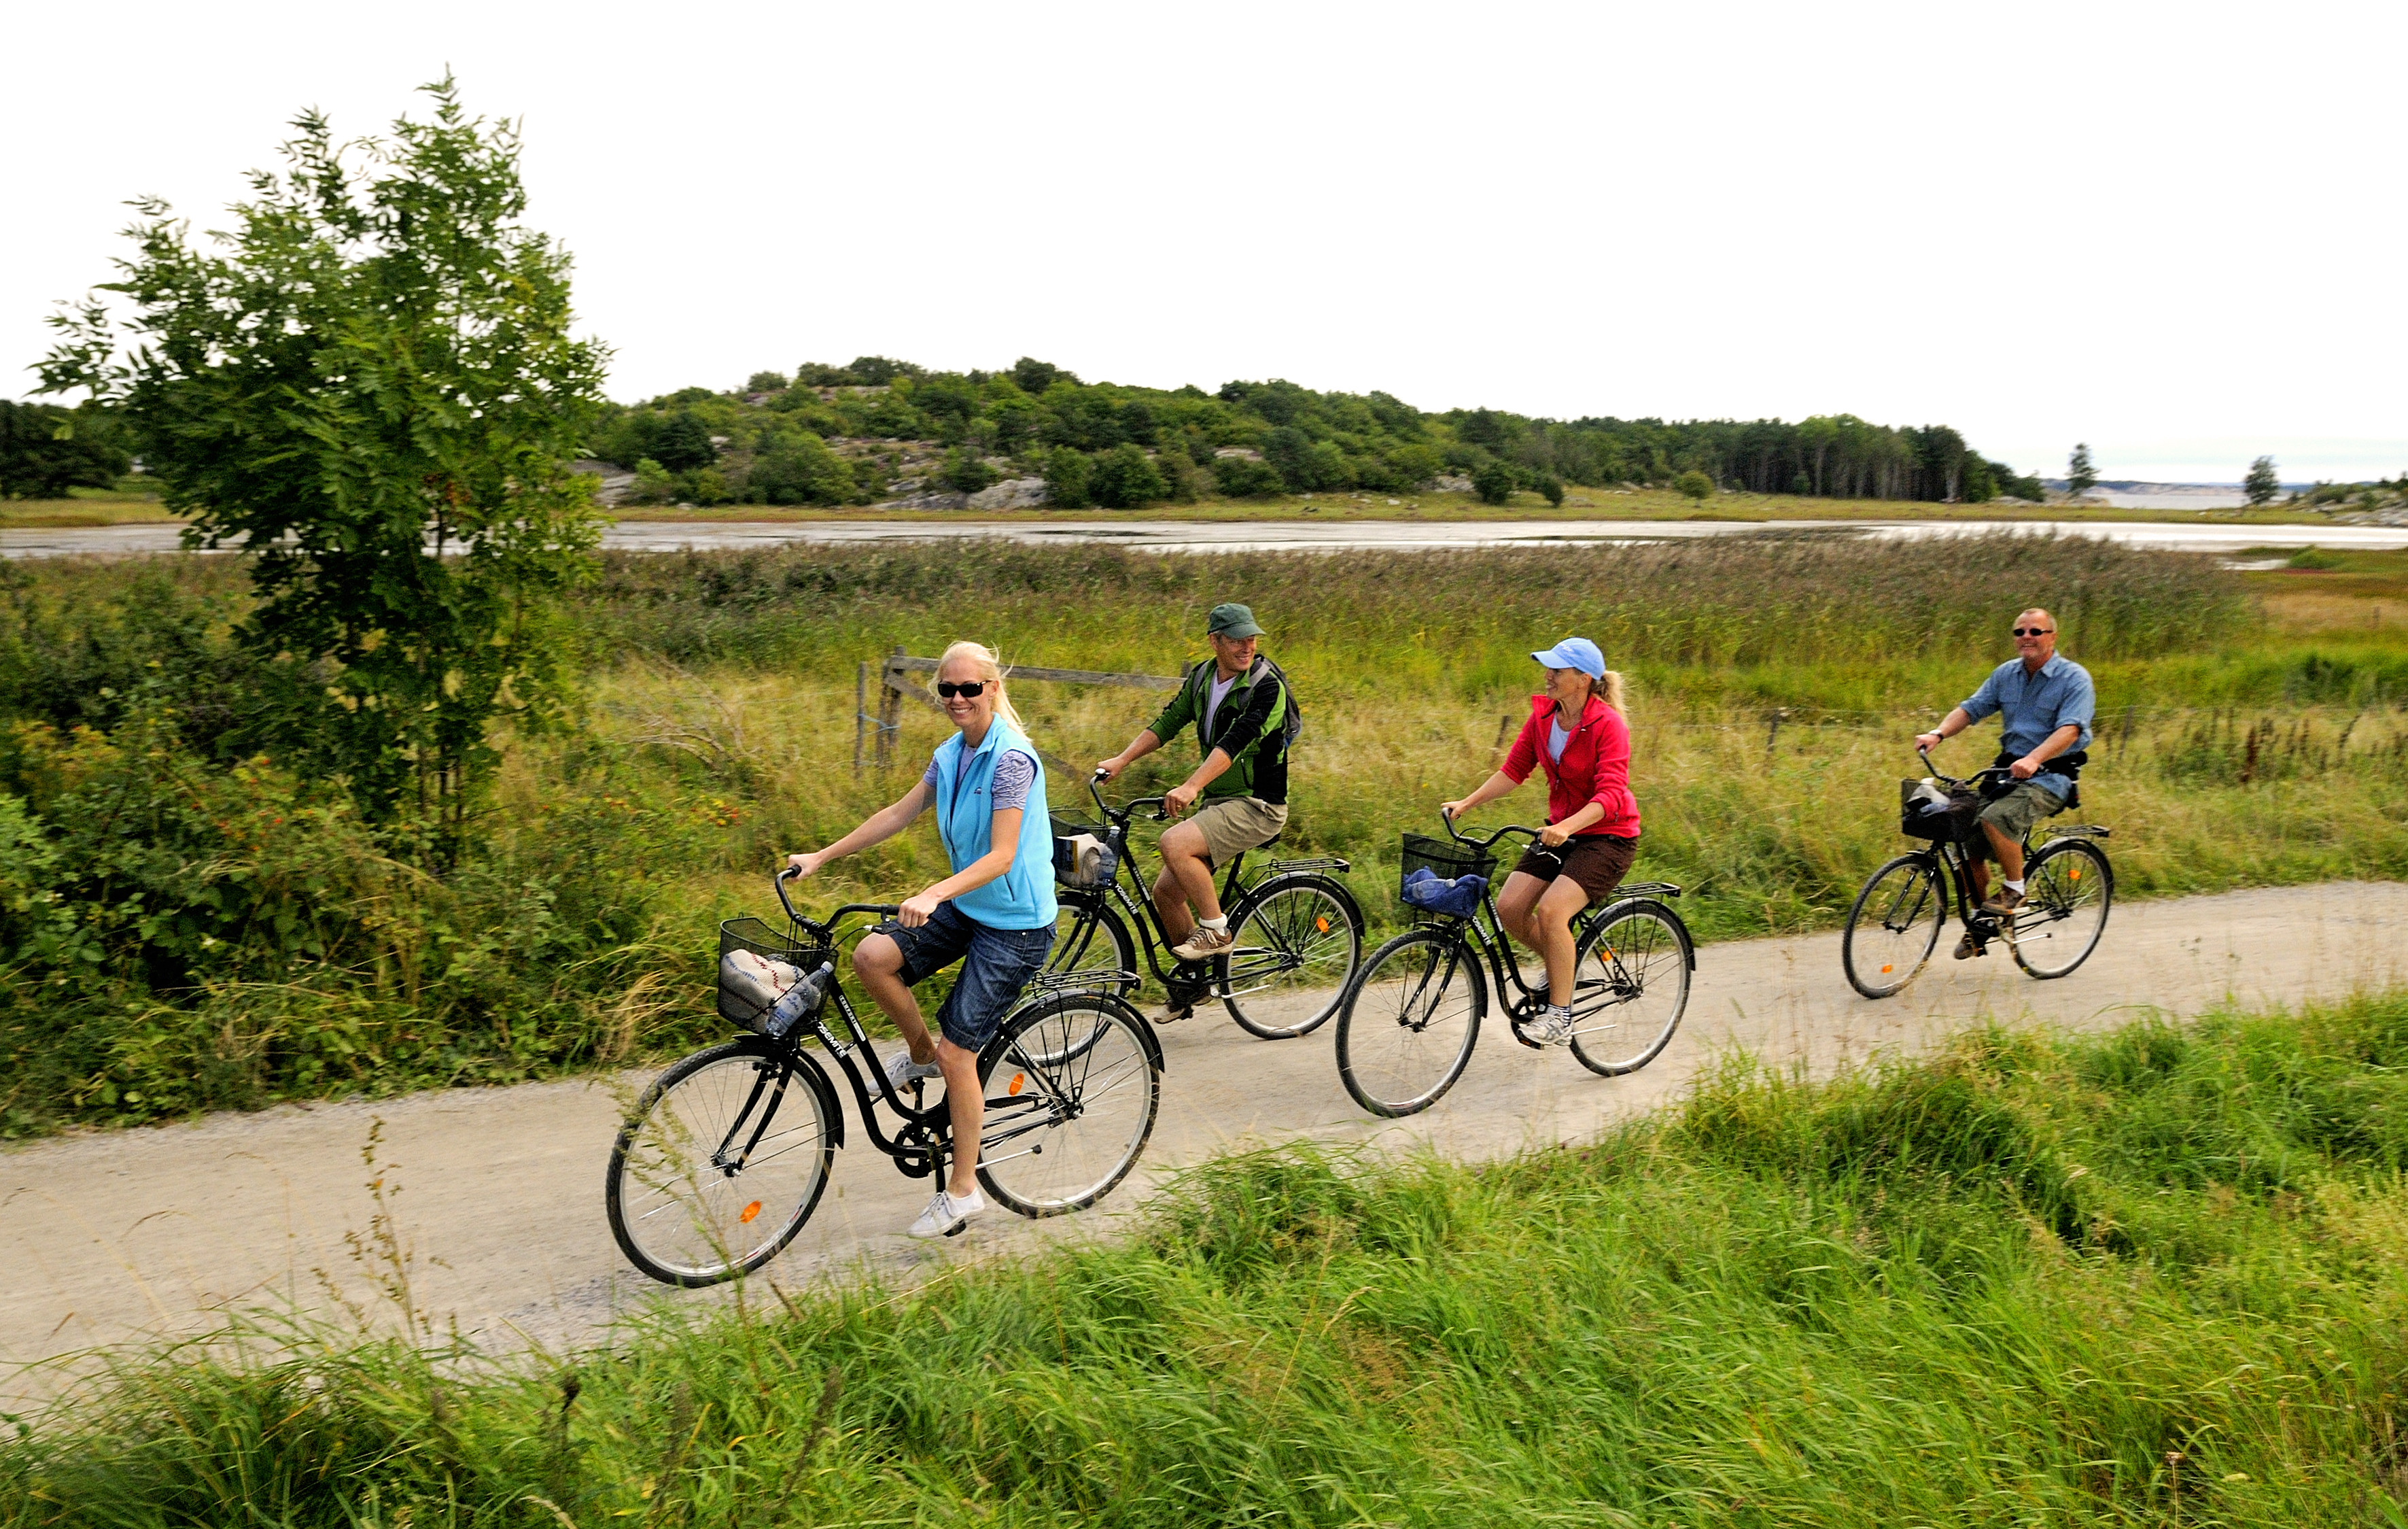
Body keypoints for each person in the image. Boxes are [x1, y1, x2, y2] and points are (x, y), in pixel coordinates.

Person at [784, 641, 1056, 1239]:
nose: (958, 699)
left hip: (1016, 923)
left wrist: (933, 892)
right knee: (872, 956)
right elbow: (897, 814)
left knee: (965, 1053)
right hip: (968, 905)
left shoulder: (1012, 759)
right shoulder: (951, 754)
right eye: (947, 690)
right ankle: (921, 1052)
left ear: (993, 688)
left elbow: (1003, 854)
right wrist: (822, 856)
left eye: (970, 689)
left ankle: (964, 1191)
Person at [1094, 602, 1297, 1019]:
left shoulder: (1266, 685)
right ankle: (1197, 983)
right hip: (1221, 802)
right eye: (1238, 638)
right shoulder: (1204, 677)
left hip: (1259, 803)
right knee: (1166, 894)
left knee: (1174, 841)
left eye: (1252, 638)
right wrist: (1122, 759)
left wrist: (1190, 786)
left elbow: (1237, 741)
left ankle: (1217, 931)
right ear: (1216, 641)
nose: (1248, 646)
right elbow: (1168, 722)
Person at [1439, 637, 1640, 1046]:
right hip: (1560, 830)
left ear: (1584, 680)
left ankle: (1560, 1017)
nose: (1548, 676)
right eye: (1547, 668)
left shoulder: (1608, 726)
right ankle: (1562, 961)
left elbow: (1611, 794)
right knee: (1510, 908)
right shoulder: (1544, 718)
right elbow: (1513, 771)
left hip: (1608, 837)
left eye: (1558, 671)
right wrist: (1467, 802)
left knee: (1551, 912)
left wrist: (1568, 827)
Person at [1914, 607, 2095, 959]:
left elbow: (2070, 729)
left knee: (1997, 818)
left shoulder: (2074, 679)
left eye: (2036, 632)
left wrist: (2035, 758)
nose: (2026, 637)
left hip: (2053, 773)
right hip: (2008, 770)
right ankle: (1987, 923)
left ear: (2052, 637)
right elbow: (1972, 708)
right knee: (1963, 842)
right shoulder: (2006, 675)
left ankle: (2015, 890)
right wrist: (1937, 733)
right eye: (2019, 632)